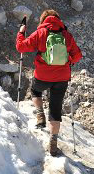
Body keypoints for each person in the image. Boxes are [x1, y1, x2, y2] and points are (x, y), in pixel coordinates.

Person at [15, 9, 82, 156]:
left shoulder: (41, 33)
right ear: (58, 19)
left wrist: (21, 32)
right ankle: (53, 142)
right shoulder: (66, 35)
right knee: (55, 109)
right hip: (62, 78)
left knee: (35, 91)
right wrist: (68, 61)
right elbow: (77, 56)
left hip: (42, 76)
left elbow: (21, 47)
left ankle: (40, 114)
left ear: (43, 20)